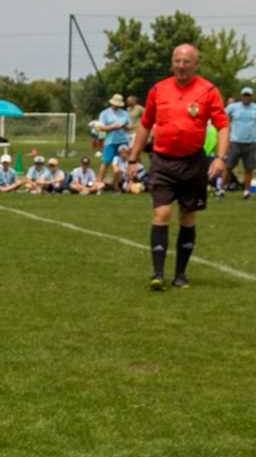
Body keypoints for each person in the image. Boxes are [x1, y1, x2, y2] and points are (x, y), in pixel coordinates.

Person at [133, 43, 230, 290]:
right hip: (162, 161)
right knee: (161, 213)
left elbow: (222, 125)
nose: (181, 65)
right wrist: (133, 159)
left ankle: (180, 275)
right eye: (177, 61)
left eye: (187, 61)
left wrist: (220, 157)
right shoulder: (158, 90)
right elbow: (145, 124)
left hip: (193, 162)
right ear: (172, 63)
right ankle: (158, 274)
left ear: (196, 63)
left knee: (187, 216)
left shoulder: (208, 91)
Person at [97, 93, 133, 191]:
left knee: (124, 162)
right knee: (106, 162)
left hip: (123, 140)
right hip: (110, 141)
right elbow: (101, 127)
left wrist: (123, 126)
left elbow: (130, 126)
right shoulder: (104, 113)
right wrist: (113, 127)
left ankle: (122, 182)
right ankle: (100, 182)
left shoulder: (124, 113)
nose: (116, 106)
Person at [225, 86, 256, 197]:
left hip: (250, 142)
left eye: (248, 95)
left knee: (249, 168)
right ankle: (222, 190)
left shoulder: (254, 108)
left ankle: (247, 192)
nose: (246, 98)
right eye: (244, 95)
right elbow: (222, 115)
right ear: (241, 96)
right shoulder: (234, 107)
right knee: (228, 166)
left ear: (251, 97)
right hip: (235, 141)